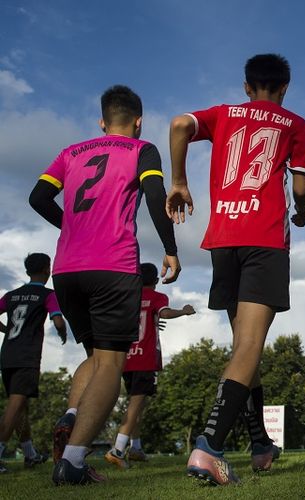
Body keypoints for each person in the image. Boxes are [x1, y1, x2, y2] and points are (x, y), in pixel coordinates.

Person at [166, 53, 305, 485]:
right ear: (284, 88)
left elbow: (177, 124)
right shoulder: (295, 123)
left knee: (244, 349)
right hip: (265, 239)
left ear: (247, 87)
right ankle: (208, 446)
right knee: (249, 347)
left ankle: (261, 443)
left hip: (224, 240)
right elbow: (301, 187)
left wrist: (178, 181)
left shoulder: (222, 114)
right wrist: (301, 210)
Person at [29, 85, 180, 485]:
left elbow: (37, 197)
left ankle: (72, 415)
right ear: (138, 120)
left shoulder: (70, 153)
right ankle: (74, 462)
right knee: (113, 363)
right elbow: (154, 196)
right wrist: (170, 249)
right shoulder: (141, 149)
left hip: (66, 269)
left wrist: (71, 227)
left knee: (95, 357)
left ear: (101, 121)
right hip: (113, 266)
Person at [104, 263, 195, 469]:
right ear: (155, 281)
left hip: (127, 358)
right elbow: (163, 313)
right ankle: (118, 449)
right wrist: (184, 311)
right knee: (137, 402)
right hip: (145, 358)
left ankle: (135, 448)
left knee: (138, 402)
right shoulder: (158, 298)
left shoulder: (127, 297)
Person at [0, 253, 67, 473]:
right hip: (27, 356)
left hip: (7, 354)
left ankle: (30, 455)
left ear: (27, 271)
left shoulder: (11, 295)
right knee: (15, 406)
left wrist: (6, 329)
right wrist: (63, 331)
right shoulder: (47, 295)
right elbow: (57, 319)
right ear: (48, 269)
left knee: (21, 407)